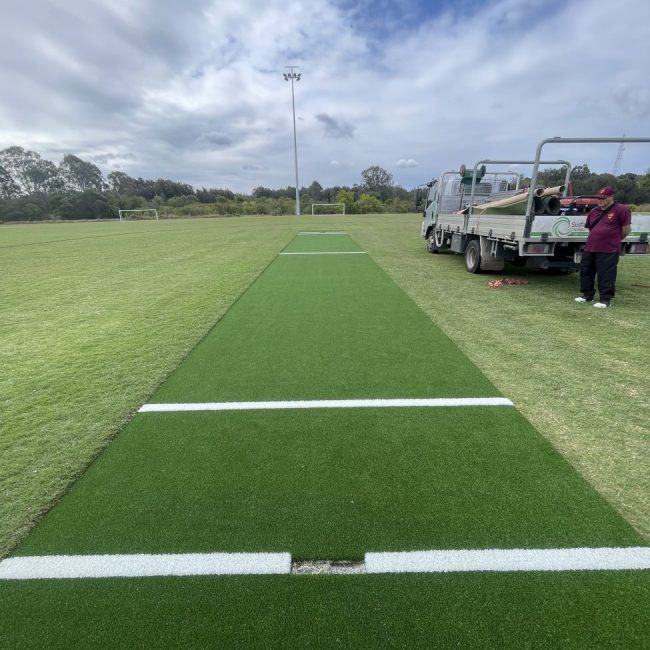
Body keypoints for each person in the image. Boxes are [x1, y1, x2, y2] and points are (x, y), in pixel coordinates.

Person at [575, 186, 631, 309]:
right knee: (586, 271)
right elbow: (591, 228)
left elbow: (626, 229)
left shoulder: (621, 209)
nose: (600, 200)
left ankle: (605, 299)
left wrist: (614, 240)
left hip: (608, 249)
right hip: (591, 246)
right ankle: (587, 295)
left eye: (603, 198)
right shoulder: (594, 211)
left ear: (611, 197)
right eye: (598, 198)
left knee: (606, 274)